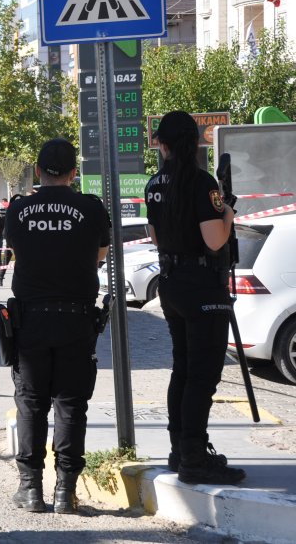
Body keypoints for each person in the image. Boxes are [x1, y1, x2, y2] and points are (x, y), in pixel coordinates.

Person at [6, 138, 110, 514]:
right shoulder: (92, 209)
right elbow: (99, 256)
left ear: (37, 171)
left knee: (31, 403)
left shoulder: (18, 211)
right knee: (70, 405)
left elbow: (19, 252)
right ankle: (65, 491)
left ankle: (30, 489)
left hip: (31, 318)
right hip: (76, 318)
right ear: (73, 173)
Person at [145, 111, 246, 486]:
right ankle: (193, 458)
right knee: (202, 377)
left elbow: (155, 238)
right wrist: (228, 213)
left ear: (164, 144)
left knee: (183, 370)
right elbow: (216, 240)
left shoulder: (154, 183)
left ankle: (179, 450)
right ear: (196, 142)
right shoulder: (203, 183)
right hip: (202, 285)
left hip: (170, 283)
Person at [0, 195, 22, 287]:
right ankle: (0, 278)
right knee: (6, 259)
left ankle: (1, 278)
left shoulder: (15, 212)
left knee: (19, 261)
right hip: (11, 239)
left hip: (16, 239)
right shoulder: (12, 213)